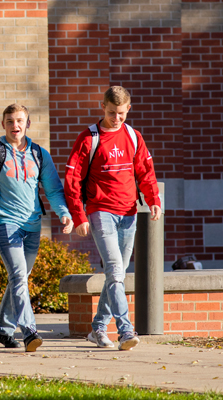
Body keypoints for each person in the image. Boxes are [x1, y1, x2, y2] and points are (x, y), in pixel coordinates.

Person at [0, 104, 74, 352]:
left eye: (19, 121)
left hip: (33, 225)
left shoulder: (39, 154)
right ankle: (29, 331)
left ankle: (4, 330)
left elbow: (53, 190)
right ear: (2, 124)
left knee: (19, 278)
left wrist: (64, 213)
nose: (14, 126)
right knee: (18, 275)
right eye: (9, 121)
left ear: (28, 123)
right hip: (5, 223)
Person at [64, 86, 161, 351]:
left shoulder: (133, 136)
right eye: (110, 113)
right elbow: (72, 180)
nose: (116, 119)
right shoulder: (88, 139)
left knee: (114, 274)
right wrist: (78, 215)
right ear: (102, 107)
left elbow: (145, 171)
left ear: (128, 109)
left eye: (121, 113)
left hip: (129, 213)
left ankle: (97, 329)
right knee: (116, 272)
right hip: (100, 211)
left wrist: (153, 200)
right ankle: (126, 330)